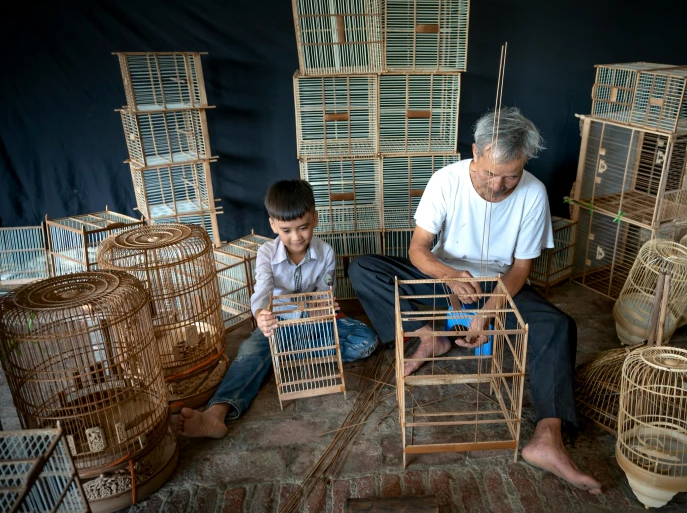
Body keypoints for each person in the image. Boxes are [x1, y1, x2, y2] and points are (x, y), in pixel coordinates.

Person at [347, 107, 601, 494]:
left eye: (510, 176)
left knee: (557, 325)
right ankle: (429, 335)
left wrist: (489, 309)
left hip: (498, 286)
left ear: (525, 165)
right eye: (489, 174)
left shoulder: (533, 193)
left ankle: (547, 439)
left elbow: (520, 270)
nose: (498, 186)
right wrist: (448, 275)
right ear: (475, 152)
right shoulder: (446, 180)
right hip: (444, 279)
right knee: (365, 268)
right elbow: (418, 250)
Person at [178, 179, 379, 438]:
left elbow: (324, 292)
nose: (296, 237)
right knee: (249, 351)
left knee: (366, 340)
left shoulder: (326, 252)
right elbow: (261, 293)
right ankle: (216, 413)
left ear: (315, 219)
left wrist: (322, 305)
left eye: (303, 228)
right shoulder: (266, 254)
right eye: (286, 230)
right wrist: (261, 316)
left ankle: (280, 356)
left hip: (313, 322)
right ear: (273, 225)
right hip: (277, 324)